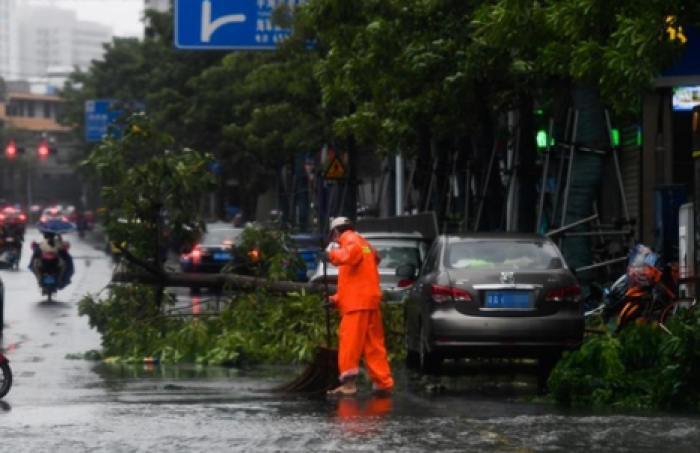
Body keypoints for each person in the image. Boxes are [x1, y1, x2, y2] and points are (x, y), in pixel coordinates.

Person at [321, 217, 394, 396]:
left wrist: (330, 255)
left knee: (349, 344)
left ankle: (348, 385)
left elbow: (350, 256)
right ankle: (383, 382)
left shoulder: (350, 239)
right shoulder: (365, 244)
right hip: (369, 301)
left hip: (356, 305)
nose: (335, 242)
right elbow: (358, 278)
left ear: (336, 232)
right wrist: (336, 300)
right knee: (374, 346)